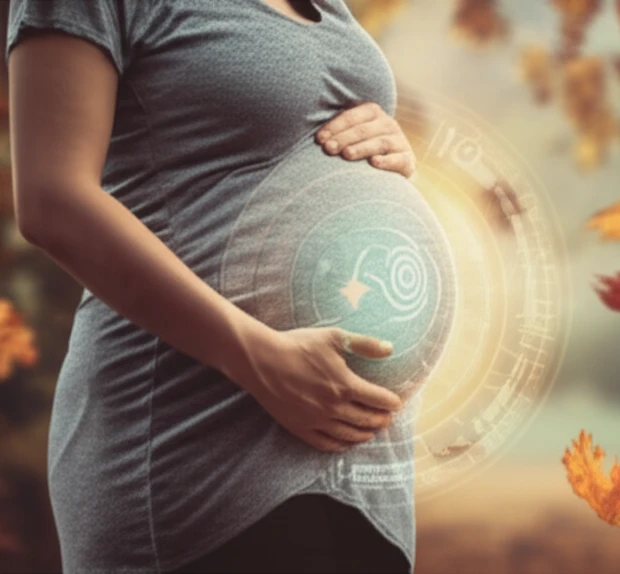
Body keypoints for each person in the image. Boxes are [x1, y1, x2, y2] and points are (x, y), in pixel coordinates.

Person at [6, 0, 433, 571]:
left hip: (362, 467)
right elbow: (52, 201)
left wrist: (387, 158)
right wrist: (254, 355)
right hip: (193, 445)